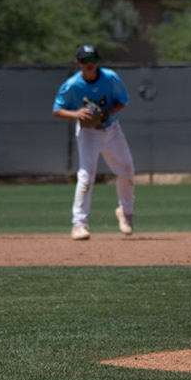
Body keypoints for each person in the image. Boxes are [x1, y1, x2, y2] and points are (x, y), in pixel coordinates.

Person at [51, 44, 136, 240]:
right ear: (78, 63)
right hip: (88, 132)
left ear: (97, 61)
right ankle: (79, 224)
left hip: (112, 129)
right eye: (85, 60)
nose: (90, 64)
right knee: (86, 176)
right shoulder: (73, 85)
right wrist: (76, 114)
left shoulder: (110, 78)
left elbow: (123, 100)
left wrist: (106, 113)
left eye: (93, 60)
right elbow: (57, 110)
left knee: (127, 170)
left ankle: (125, 212)